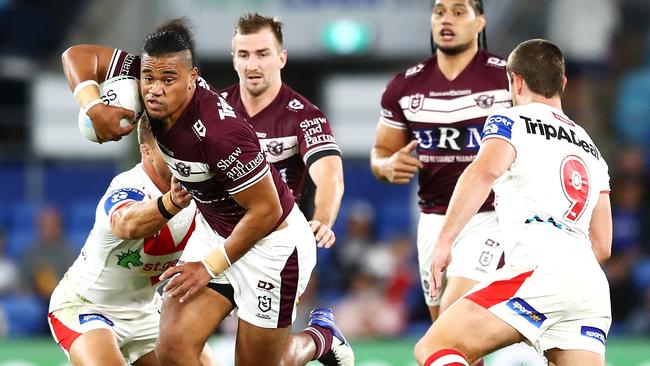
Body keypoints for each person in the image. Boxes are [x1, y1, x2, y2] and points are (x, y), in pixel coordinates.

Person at [61, 18, 353, 366]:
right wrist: (93, 106)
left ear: (193, 79)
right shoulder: (151, 78)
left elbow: (266, 211)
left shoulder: (219, 133)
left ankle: (320, 339)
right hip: (216, 232)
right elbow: (76, 57)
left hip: (274, 246)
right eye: (149, 78)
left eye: (168, 80)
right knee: (171, 350)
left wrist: (209, 267)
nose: (154, 90)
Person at [413, 39, 612, 366]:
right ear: (562, 84)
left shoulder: (511, 120)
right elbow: (603, 245)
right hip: (589, 286)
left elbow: (485, 171)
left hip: (539, 269)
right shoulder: (593, 150)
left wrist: (445, 240)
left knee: (435, 346)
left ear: (515, 80)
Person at [370, 0, 511, 323]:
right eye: (440, 12)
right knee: (445, 336)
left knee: (452, 316)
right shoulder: (405, 86)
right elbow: (380, 153)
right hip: (433, 219)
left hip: (490, 216)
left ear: (480, 23)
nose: (447, 19)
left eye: (459, 11)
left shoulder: (507, 78)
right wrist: (385, 166)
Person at [47, 118, 216, 365]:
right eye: (168, 147)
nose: (179, 155)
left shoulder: (200, 188)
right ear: (146, 150)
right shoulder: (128, 185)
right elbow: (126, 224)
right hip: (86, 307)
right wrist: (172, 203)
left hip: (146, 310)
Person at [221, 13, 344, 249]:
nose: (252, 65)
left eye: (263, 54)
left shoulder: (305, 116)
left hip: (276, 242)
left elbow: (330, 177)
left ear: (281, 58)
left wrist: (322, 220)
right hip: (219, 237)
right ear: (234, 60)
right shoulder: (213, 110)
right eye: (244, 55)